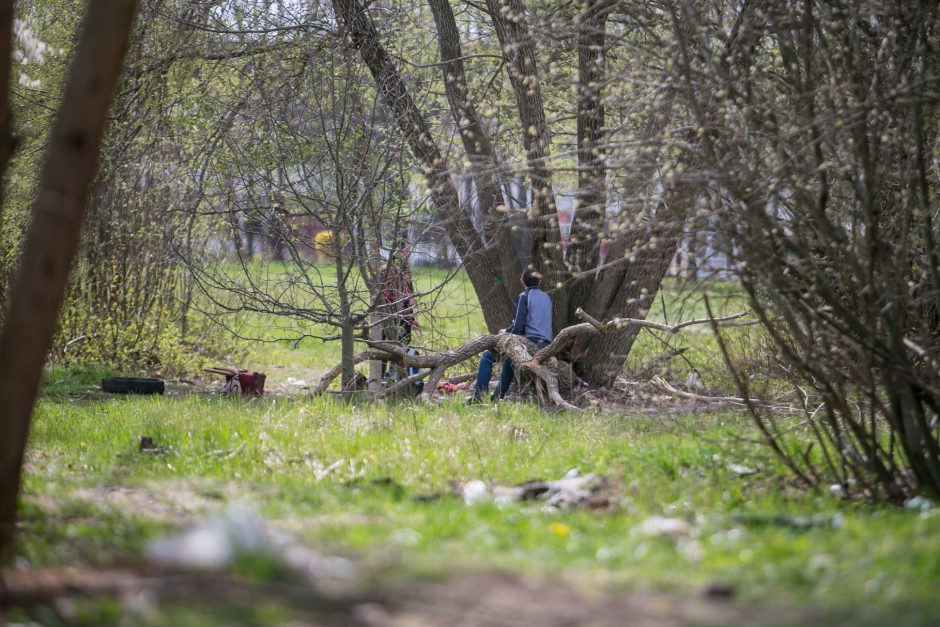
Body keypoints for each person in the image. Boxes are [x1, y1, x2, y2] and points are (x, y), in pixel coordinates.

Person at [468, 268, 553, 403]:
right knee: (509, 361)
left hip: (530, 341)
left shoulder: (524, 296)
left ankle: (478, 397)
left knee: (487, 356)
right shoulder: (547, 298)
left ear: (522, 281)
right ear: (540, 281)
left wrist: (505, 332)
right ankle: (496, 398)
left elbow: (518, 327)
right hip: (546, 345)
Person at [379, 241, 419, 381]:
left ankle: (396, 376)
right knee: (387, 345)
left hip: (404, 314)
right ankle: (383, 376)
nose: (409, 252)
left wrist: (412, 318)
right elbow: (390, 295)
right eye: (407, 249)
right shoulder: (388, 269)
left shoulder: (405, 269)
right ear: (398, 251)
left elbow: (410, 294)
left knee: (404, 344)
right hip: (391, 315)